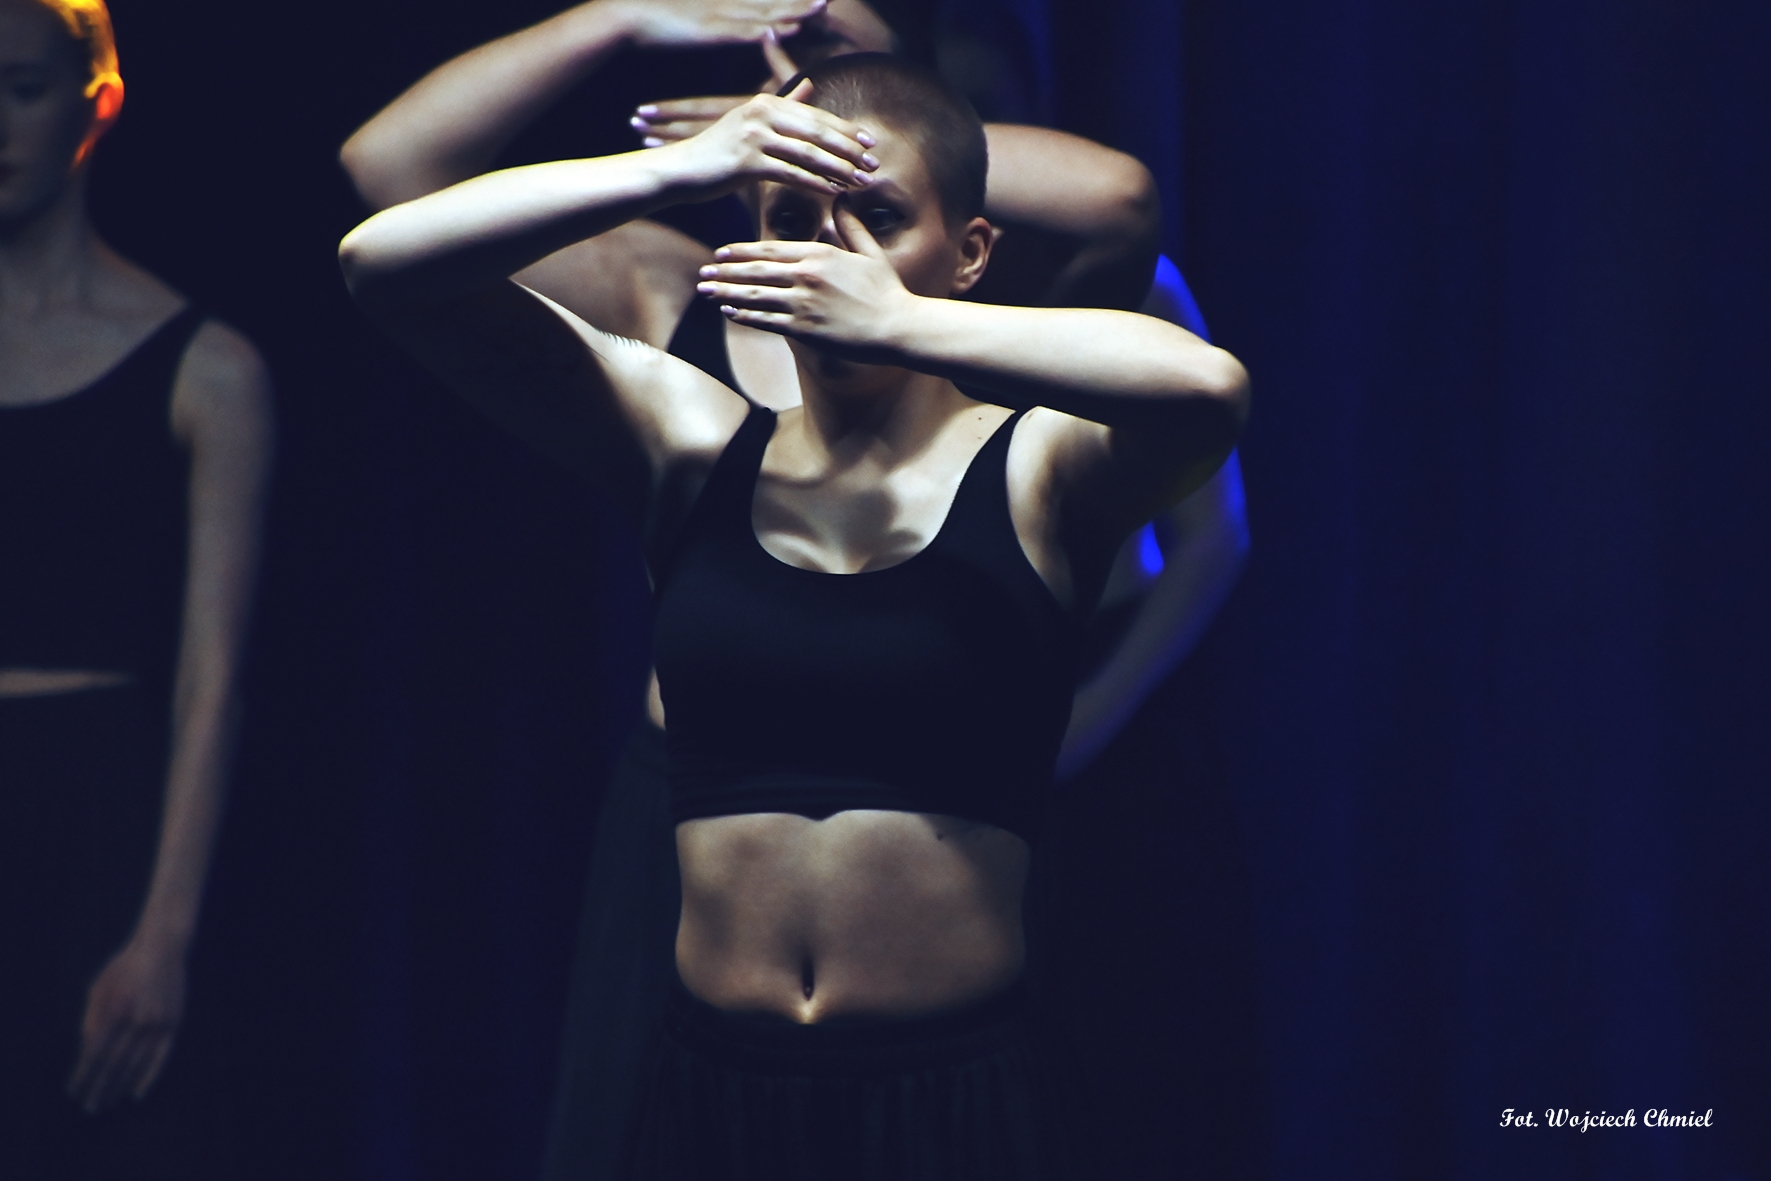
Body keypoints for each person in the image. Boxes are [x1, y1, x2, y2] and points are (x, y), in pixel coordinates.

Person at [339, 3, 1247, 1174]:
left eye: (878, 219)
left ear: (970, 252)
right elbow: (382, 261)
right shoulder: (688, 435)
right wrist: (681, 166)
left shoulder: (1034, 459)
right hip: (713, 1085)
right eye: (791, 220)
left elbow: (1206, 390)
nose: (828, 256)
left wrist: (905, 322)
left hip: (951, 1090)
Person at [0, 1, 273, 1176]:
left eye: (19, 89)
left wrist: (162, 933)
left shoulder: (208, 369)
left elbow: (213, 681)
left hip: (94, 827)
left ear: (93, 101)